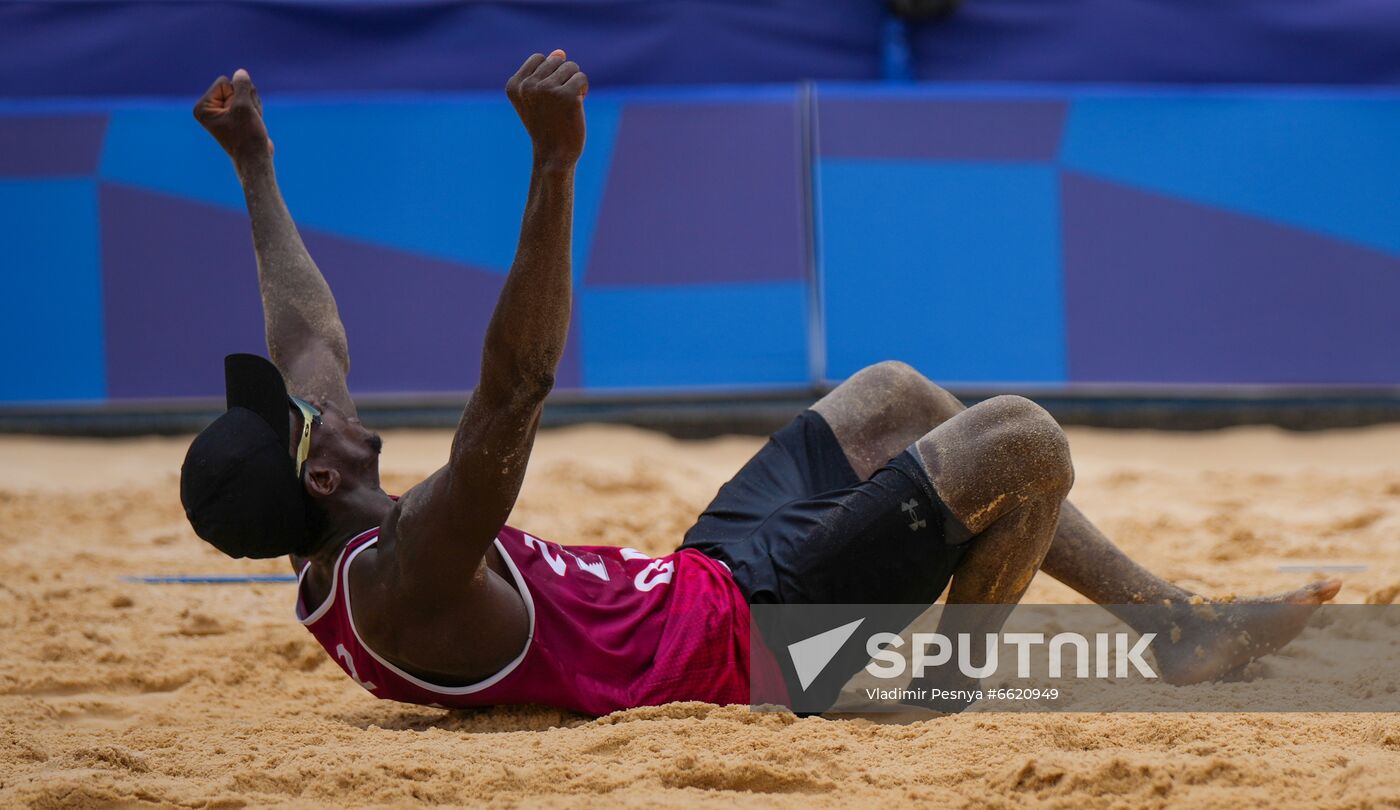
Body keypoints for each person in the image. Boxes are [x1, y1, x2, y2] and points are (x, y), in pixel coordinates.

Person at [179, 53, 1340, 717]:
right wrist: (554, 162)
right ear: (322, 470)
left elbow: (308, 335)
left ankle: (1167, 628)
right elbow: (516, 385)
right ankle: (943, 690)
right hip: (760, 653)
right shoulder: (408, 570)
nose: (319, 394)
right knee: (1021, 440)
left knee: (890, 390)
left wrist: (255, 165)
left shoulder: (325, 526)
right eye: (304, 419)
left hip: (703, 587)